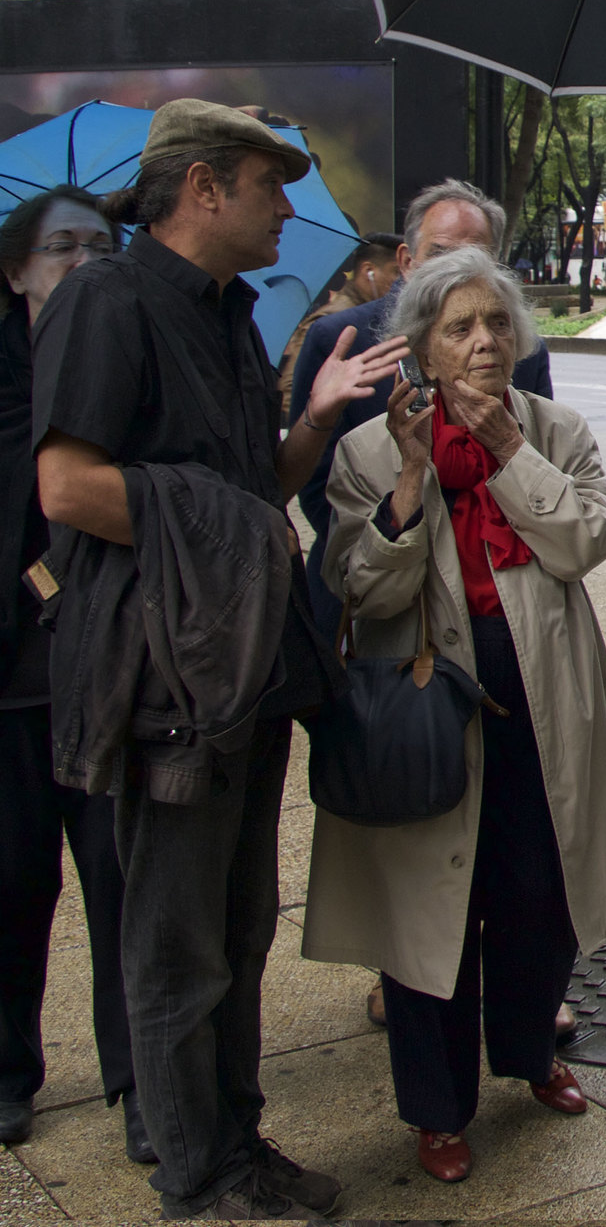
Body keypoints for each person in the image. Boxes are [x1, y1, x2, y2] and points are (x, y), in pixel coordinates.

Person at [33, 99, 405, 1220]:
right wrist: (205, 507)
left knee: (241, 928)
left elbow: (259, 494)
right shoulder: (107, 299)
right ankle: (197, 1173)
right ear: (202, 188)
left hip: (243, 665)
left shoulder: (235, 316)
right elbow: (66, 489)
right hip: (162, 674)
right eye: (267, 183)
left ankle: (236, 1142)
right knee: (176, 940)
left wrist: (315, 420)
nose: (285, 206)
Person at [306, 246, 606, 1187]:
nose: (484, 342)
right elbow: (360, 591)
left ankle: (531, 1050)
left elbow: (583, 540)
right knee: (431, 918)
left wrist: (507, 454)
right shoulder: (369, 450)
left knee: (541, 897)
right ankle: (437, 1108)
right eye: (459, 327)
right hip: (424, 715)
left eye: (496, 323)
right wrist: (412, 484)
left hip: (544, 706)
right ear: (420, 345)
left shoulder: (555, 429)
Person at [0, 188, 149, 1165]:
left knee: (124, 886)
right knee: (13, 884)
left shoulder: (123, 366)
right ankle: (9, 1074)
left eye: (100, 245)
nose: (83, 260)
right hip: (9, 683)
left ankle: (140, 1082)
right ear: (14, 268)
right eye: (60, 246)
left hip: (108, 671)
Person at [290, 181, 554, 642]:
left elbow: (542, 462)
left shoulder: (518, 347)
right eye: (440, 253)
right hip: (381, 593)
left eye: (476, 255)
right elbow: (317, 483)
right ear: (407, 262)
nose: (457, 269)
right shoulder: (342, 339)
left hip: (495, 597)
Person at [276, 234, 401, 416]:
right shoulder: (333, 321)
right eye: (395, 271)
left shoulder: (377, 317)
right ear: (369, 271)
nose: (400, 278)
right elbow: (290, 390)